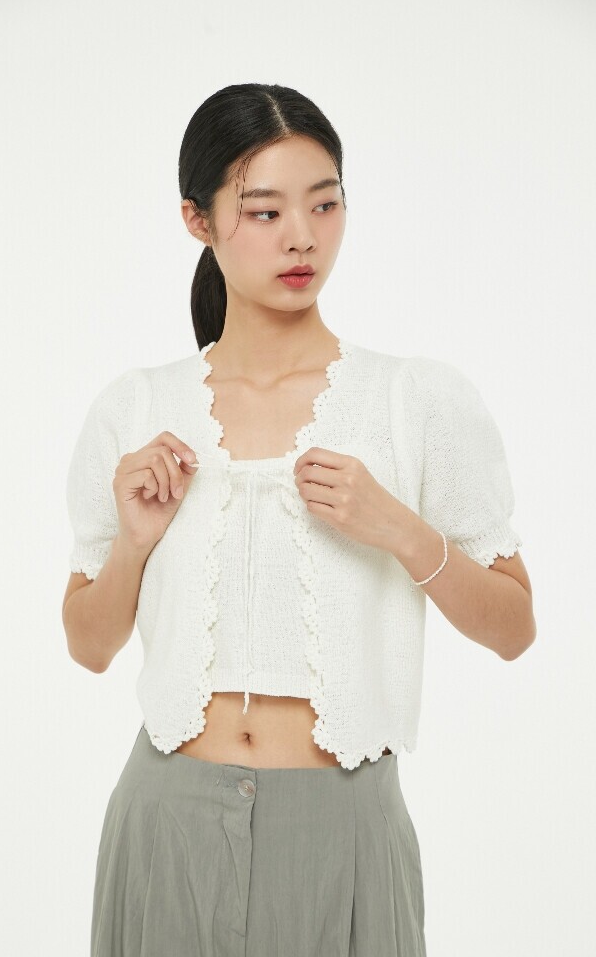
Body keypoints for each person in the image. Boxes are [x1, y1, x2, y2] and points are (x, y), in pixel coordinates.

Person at [62, 83, 536, 957]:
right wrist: (134, 544)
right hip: (167, 822)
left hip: (344, 829)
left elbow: (514, 627)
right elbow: (89, 646)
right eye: (265, 210)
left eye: (325, 204)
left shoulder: (413, 401)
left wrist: (400, 529)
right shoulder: (137, 409)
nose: (303, 237)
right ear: (198, 220)